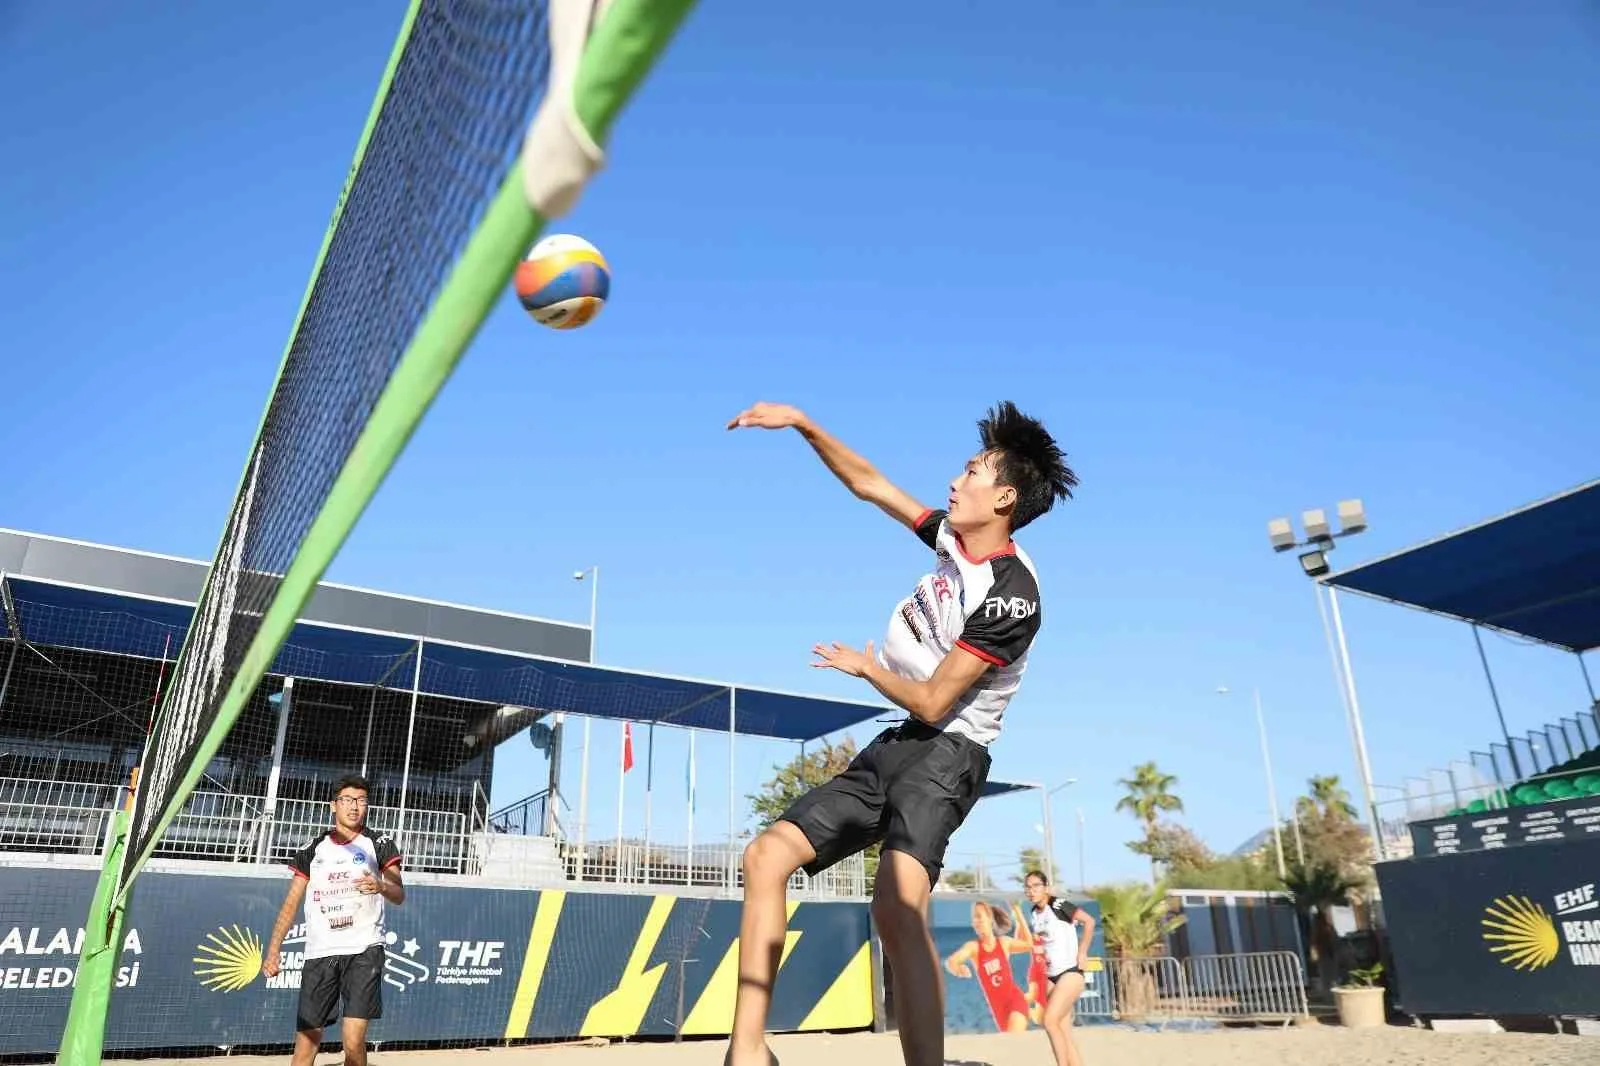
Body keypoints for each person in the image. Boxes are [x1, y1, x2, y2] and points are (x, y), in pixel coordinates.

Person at [723, 400, 1077, 1066]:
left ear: (1003, 496)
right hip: (903, 740)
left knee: (896, 908)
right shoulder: (952, 538)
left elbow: (937, 699)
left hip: (950, 753)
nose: (955, 480)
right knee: (765, 858)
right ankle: (748, 1052)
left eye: (971, 471)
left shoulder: (1012, 593)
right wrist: (803, 423)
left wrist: (864, 669)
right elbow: (870, 484)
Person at [262, 774, 405, 1066]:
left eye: (362, 801)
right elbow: (291, 904)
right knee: (305, 1046)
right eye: (348, 800)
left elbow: (399, 893)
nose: (355, 806)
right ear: (333, 805)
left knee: (353, 1041)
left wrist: (380, 886)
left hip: (365, 949)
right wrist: (274, 949)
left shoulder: (379, 843)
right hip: (321, 953)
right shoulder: (313, 849)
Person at [1023, 869, 1096, 1066]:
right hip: (1051, 975)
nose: (1031, 891)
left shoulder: (1058, 904)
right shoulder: (1033, 914)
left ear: (1046, 888)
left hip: (1071, 972)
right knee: (1063, 1032)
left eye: (1036, 886)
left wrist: (1082, 952)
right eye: (1027, 887)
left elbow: (1089, 921)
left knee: (1049, 1021)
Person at [943, 900, 1033, 1033]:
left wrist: (1018, 912)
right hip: (998, 1010)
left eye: (979, 916)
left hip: (1015, 1001)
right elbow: (952, 961)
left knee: (1014, 1039)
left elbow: (1028, 944)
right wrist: (957, 968)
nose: (976, 920)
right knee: (1011, 1049)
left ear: (990, 919)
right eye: (974, 917)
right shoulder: (974, 947)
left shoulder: (1004, 943)